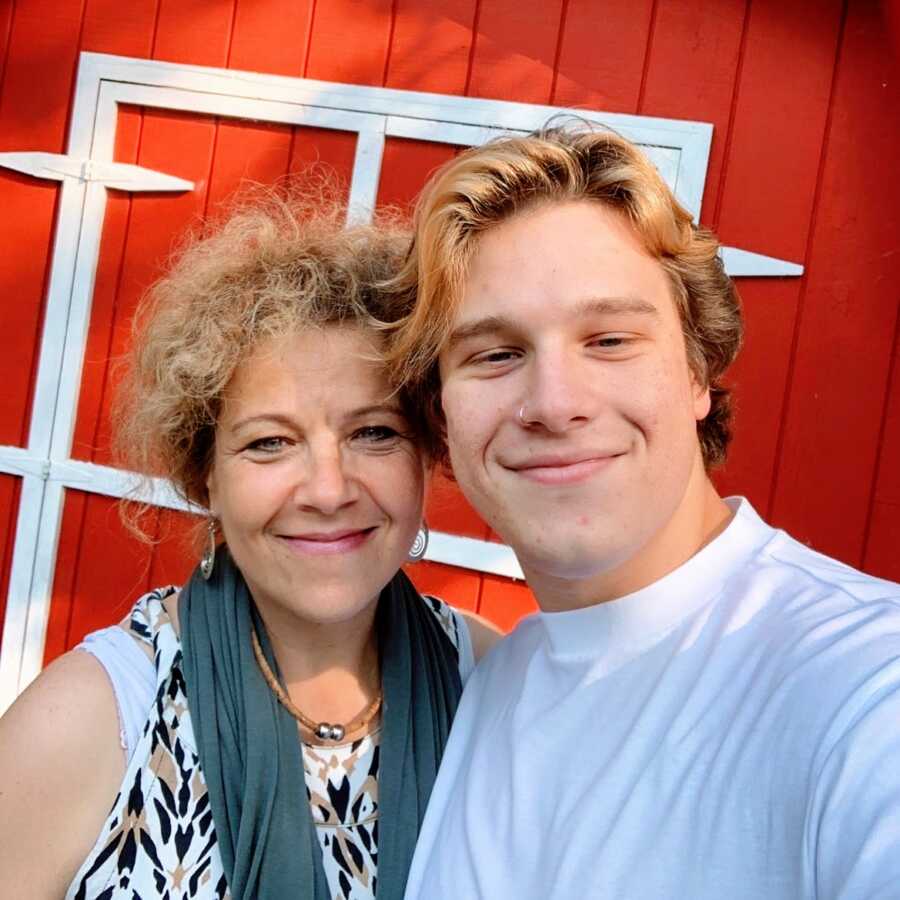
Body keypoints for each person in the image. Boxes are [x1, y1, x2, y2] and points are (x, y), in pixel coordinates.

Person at [387, 127, 900, 899]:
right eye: (494, 353)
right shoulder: (489, 686)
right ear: (442, 410)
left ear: (698, 371)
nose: (554, 404)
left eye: (610, 339)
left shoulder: (863, 690)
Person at [0, 195, 499, 900]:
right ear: (205, 475)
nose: (328, 490)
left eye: (374, 433)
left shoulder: (485, 681)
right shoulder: (94, 720)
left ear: (425, 451)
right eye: (269, 443)